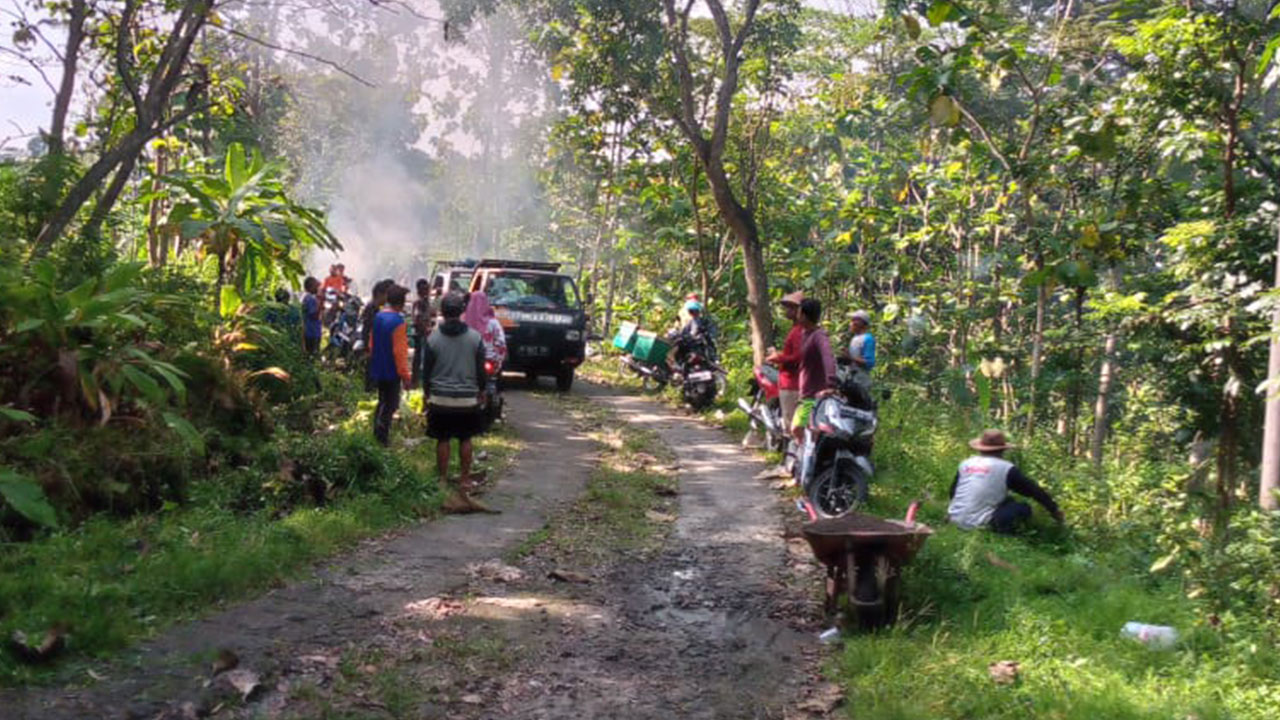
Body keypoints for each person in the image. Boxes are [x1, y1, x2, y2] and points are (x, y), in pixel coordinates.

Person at [422, 291, 490, 496]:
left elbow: (426, 372)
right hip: (467, 400)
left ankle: (442, 479)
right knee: (465, 438)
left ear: (442, 311)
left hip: (440, 399)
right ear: (462, 311)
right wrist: (482, 391)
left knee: (442, 439)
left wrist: (426, 394)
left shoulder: (433, 338)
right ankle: (464, 479)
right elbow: (480, 371)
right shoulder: (475, 338)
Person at [948, 429, 1064, 534]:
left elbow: (953, 491)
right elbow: (1034, 491)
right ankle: (1003, 532)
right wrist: (1054, 510)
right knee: (1023, 508)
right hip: (980, 524)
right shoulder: (1005, 468)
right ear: (1002, 450)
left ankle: (960, 519)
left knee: (1008, 500)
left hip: (955, 519)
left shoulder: (966, 463)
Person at [370, 285, 413, 446]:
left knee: (382, 401)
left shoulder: (379, 317)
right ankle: (382, 439)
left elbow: (371, 343)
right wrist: (406, 376)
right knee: (390, 404)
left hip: (378, 367)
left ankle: (377, 435)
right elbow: (400, 353)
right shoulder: (398, 322)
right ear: (401, 304)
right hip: (392, 370)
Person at [792, 298, 837, 444]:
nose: (796, 315)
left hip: (814, 395)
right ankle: (802, 461)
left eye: (798, 312)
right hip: (806, 392)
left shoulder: (819, 336)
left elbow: (828, 357)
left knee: (798, 427)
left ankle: (806, 461)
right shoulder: (805, 334)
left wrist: (830, 382)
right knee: (802, 430)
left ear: (804, 316)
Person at [765, 291, 805, 430]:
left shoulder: (799, 331)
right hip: (789, 380)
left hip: (793, 383)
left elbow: (798, 357)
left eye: (791, 307)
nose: (786, 310)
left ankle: (791, 449)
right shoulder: (795, 329)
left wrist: (779, 357)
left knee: (791, 423)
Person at [362, 279, 394, 391]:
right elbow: (367, 330)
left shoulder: (377, 309)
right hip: (372, 347)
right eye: (386, 295)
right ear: (380, 294)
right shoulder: (371, 308)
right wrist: (367, 348)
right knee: (371, 374)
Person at [462, 291, 508, 366]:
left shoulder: (463, 320)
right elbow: (501, 342)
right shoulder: (493, 323)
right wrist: (498, 359)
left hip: (466, 360)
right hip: (489, 358)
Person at [412, 278, 433, 385]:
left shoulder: (426, 302)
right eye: (426, 289)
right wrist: (426, 329)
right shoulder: (419, 303)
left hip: (425, 333)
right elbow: (417, 318)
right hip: (421, 334)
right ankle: (416, 382)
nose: (428, 291)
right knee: (420, 358)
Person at [301, 277, 322, 356]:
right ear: (311, 286)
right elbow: (314, 315)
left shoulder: (305, 297)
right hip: (312, 332)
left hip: (308, 331)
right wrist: (320, 302)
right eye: (316, 286)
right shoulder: (310, 299)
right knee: (312, 354)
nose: (318, 288)